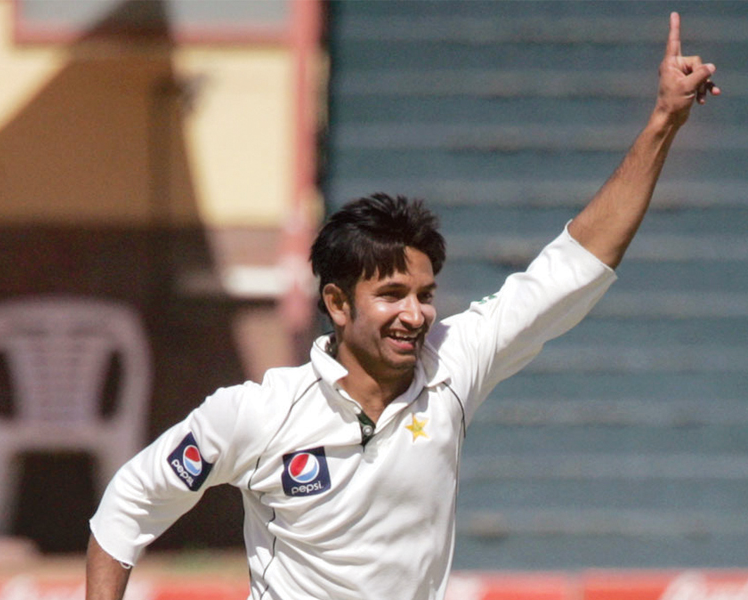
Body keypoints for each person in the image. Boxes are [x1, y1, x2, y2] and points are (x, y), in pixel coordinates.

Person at [86, 12, 719, 600]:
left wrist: (662, 120)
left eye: (424, 295)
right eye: (390, 296)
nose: (415, 315)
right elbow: (131, 502)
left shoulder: (454, 366)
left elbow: (572, 267)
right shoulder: (258, 414)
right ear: (337, 304)